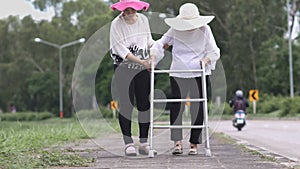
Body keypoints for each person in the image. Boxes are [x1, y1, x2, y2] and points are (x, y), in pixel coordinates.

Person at [150, 3, 220, 155]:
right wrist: (154, 57)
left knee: (198, 107)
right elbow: (161, 43)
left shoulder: (204, 29)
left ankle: (194, 143)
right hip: (178, 72)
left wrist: (206, 60)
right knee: (177, 107)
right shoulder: (175, 29)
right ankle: (177, 143)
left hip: (199, 72)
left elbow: (214, 51)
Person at [109, 0, 156, 156]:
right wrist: (142, 62)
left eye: (132, 10)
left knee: (144, 103)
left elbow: (148, 41)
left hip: (142, 68)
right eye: (126, 10)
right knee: (126, 104)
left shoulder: (143, 20)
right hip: (124, 67)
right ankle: (128, 143)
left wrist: (157, 49)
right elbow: (121, 50)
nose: (129, 12)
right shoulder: (116, 24)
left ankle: (144, 142)